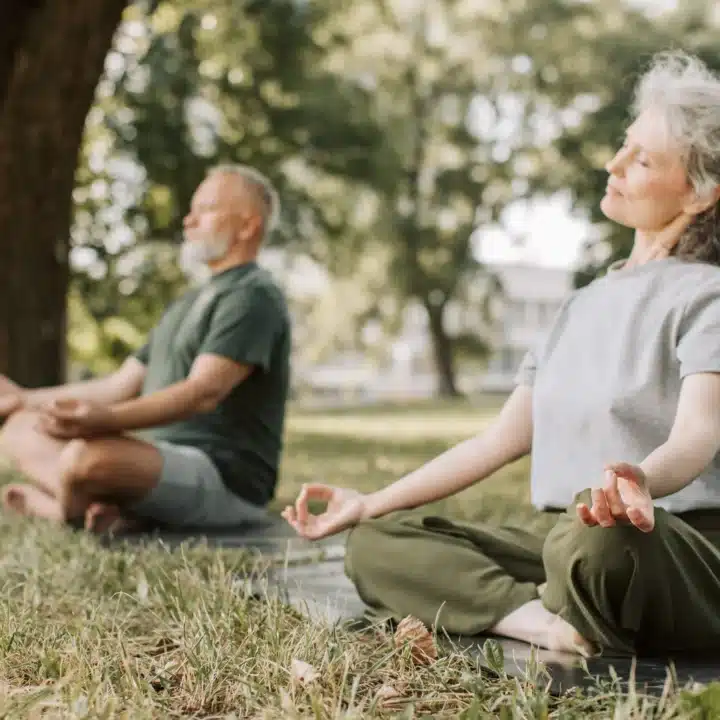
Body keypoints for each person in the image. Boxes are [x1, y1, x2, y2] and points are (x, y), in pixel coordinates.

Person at [283, 51, 720, 658]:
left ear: (698, 194)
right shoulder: (580, 305)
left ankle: (562, 601)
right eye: (624, 145)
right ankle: (543, 622)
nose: (612, 163)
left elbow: (700, 433)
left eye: (641, 159)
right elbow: (495, 443)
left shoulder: (708, 295)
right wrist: (369, 502)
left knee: (600, 545)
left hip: (664, 544)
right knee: (377, 541)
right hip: (558, 538)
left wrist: (642, 478)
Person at [0, 164, 291, 533]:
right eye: (192, 209)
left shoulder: (252, 295)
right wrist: (24, 399)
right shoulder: (188, 303)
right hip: (152, 463)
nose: (189, 220)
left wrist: (105, 421)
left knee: (85, 458)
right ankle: (112, 509)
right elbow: (115, 387)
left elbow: (202, 393)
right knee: (19, 429)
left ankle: (63, 510)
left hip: (225, 477)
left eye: (207, 209)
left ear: (248, 226)